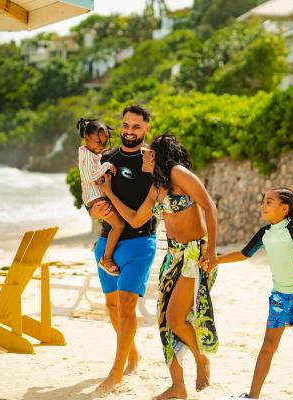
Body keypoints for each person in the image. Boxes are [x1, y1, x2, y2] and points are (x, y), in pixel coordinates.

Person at [100, 133, 219, 400]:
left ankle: (201, 359)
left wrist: (211, 250)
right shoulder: (156, 187)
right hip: (172, 256)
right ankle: (178, 386)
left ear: (158, 155)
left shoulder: (180, 174)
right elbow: (132, 219)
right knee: (165, 323)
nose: (143, 154)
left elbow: (210, 208)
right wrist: (107, 192)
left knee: (177, 319)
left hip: (195, 255)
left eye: (147, 151)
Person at [217, 187, 293, 400]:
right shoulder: (265, 232)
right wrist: (216, 260)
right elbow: (243, 254)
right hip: (279, 297)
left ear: (284, 208)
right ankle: (253, 396)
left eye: (269, 201)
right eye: (263, 201)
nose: (263, 205)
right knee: (268, 346)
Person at [88, 104, 157, 392]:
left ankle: (115, 373)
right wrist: (94, 211)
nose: (130, 131)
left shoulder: (152, 161)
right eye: (126, 125)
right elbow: (92, 201)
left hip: (140, 243)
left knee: (128, 305)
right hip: (108, 242)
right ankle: (132, 353)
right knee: (112, 305)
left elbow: (148, 208)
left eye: (136, 127)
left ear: (146, 129)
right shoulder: (106, 157)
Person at [77, 118, 124, 276]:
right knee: (119, 225)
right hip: (95, 198)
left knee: (116, 222)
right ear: (87, 138)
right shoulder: (84, 154)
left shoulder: (92, 153)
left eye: (104, 143)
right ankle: (106, 258)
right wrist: (106, 166)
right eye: (98, 142)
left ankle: (100, 245)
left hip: (98, 196)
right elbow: (89, 176)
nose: (101, 147)